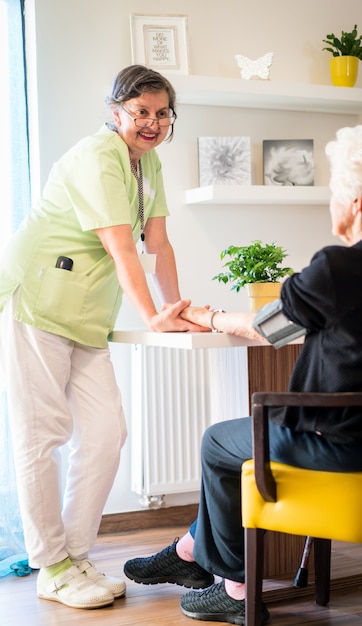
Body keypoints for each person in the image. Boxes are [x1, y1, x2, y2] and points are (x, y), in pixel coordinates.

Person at [123, 121, 362, 625]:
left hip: (338, 441)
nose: (331, 204)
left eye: (334, 193)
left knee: (218, 442)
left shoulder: (337, 269)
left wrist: (205, 316)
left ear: (357, 205)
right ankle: (191, 551)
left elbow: (268, 329)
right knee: (235, 444)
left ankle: (235, 589)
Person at [0, 64, 206, 610]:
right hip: (38, 301)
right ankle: (52, 565)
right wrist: (153, 317)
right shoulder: (97, 157)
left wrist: (173, 308)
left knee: (106, 432)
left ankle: (75, 555)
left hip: (87, 314)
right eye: (141, 112)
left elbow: (157, 244)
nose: (152, 122)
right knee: (40, 437)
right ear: (117, 113)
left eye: (162, 113)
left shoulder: (149, 163)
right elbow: (121, 246)